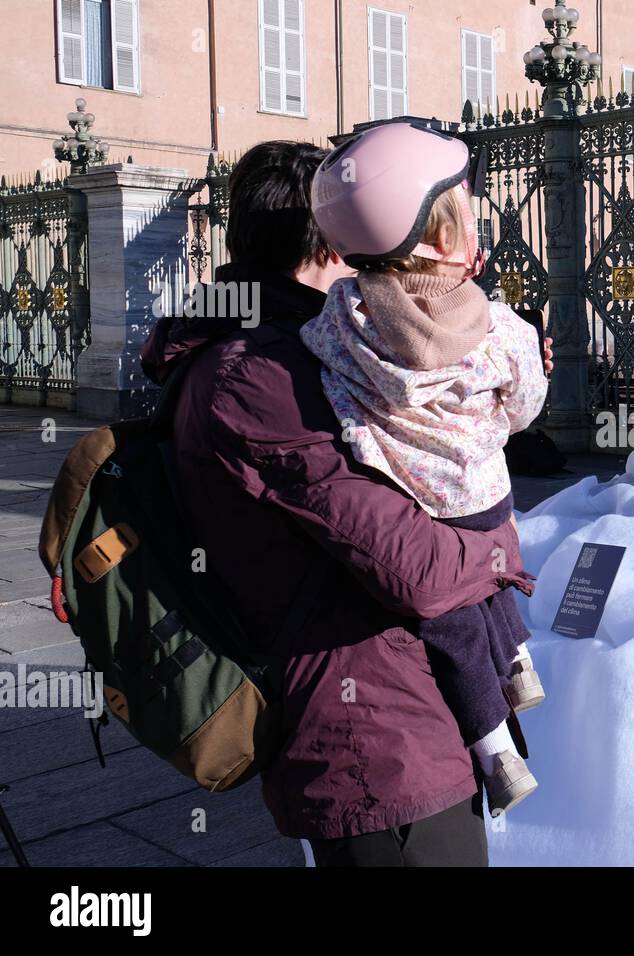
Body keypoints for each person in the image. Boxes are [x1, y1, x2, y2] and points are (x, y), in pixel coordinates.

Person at [139, 140, 546, 867]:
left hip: (384, 716)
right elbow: (416, 567)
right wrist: (501, 544)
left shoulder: (279, 351)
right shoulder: (261, 375)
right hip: (376, 744)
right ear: (327, 242)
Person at [300, 122, 549, 816]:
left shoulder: (337, 325)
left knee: (450, 621)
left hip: (413, 504)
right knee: (498, 567)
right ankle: (520, 661)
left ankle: (496, 755)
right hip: (485, 496)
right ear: (446, 241)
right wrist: (496, 422)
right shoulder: (500, 327)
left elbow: (327, 379)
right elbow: (526, 408)